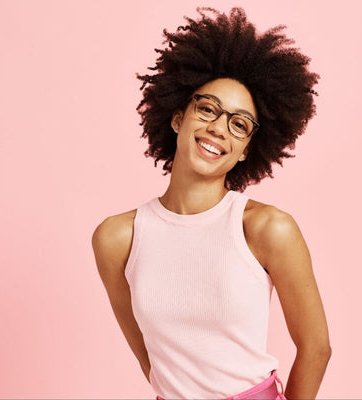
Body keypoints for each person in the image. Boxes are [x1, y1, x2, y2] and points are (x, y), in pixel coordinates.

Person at [92, 7, 331, 399]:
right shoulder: (117, 238)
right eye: (207, 108)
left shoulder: (266, 228)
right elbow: (149, 357)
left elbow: (316, 347)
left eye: (239, 124)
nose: (219, 127)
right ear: (177, 118)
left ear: (244, 151)